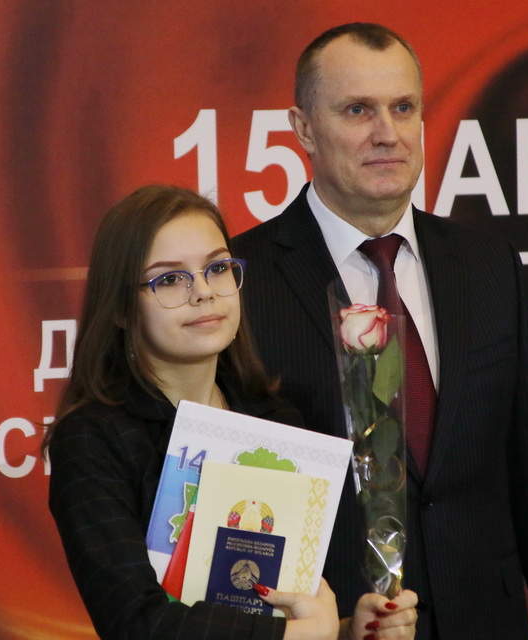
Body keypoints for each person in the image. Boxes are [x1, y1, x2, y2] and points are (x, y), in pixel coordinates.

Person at [232, 24, 528, 640]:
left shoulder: (489, 267)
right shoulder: (239, 284)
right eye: (357, 110)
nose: (387, 132)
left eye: (403, 107)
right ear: (303, 129)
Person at [45, 185, 419, 640]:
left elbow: (282, 605)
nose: (203, 292)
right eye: (170, 279)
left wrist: (348, 631)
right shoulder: (92, 439)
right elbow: (137, 623)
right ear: (121, 308)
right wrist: (300, 638)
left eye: (217, 268)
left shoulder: (275, 420)